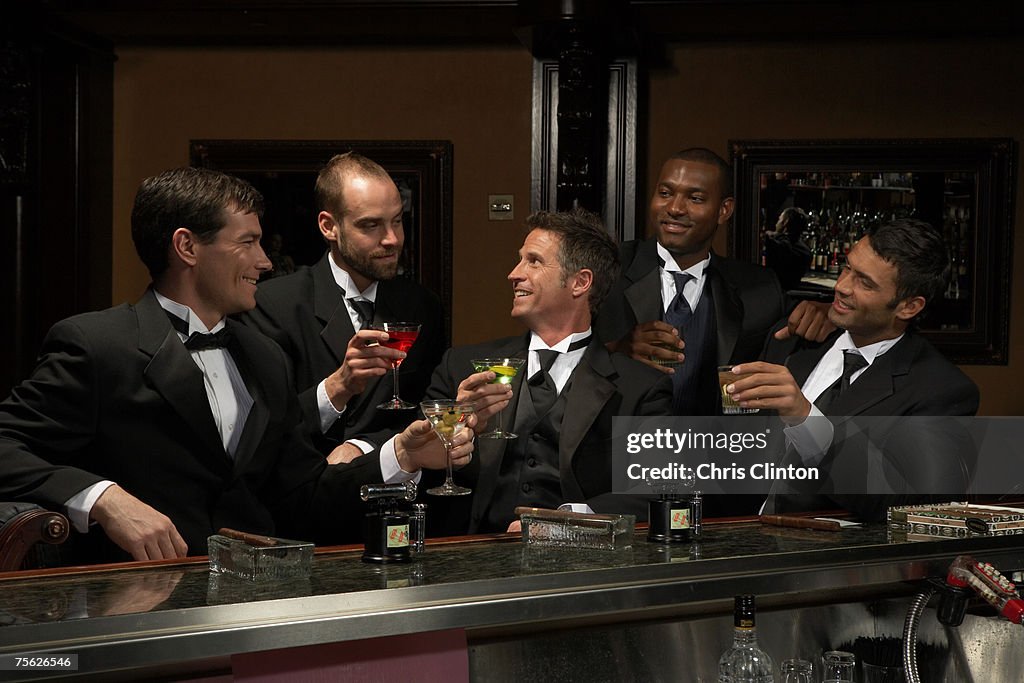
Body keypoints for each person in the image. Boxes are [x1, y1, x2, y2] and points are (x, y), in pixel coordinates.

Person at [0, 167, 470, 564]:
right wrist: (103, 498)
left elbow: (304, 494)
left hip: (251, 602)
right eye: (247, 242)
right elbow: (7, 445)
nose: (265, 262)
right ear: (187, 248)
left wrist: (401, 456)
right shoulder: (97, 343)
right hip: (129, 601)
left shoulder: (262, 356)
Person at [409, 208, 672, 534]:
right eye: (520, 260)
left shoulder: (640, 388)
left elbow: (658, 490)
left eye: (533, 261)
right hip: (472, 560)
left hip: (577, 570)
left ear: (580, 282)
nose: (514, 274)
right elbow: (416, 463)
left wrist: (569, 522)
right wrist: (459, 424)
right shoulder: (462, 367)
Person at [727, 218, 980, 521]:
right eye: (848, 268)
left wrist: (807, 421)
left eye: (865, 283)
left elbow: (911, 508)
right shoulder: (794, 339)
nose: (841, 286)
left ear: (908, 307)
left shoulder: (940, 390)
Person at [595, 148, 833, 420]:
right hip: (619, 452)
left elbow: (804, 332)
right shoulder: (607, 268)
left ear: (724, 210)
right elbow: (553, 351)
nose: (674, 208)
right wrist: (617, 350)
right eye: (665, 193)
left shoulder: (759, 287)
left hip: (714, 452)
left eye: (695, 198)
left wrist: (828, 312)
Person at [240, 152, 446, 462]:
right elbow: (260, 429)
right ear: (329, 226)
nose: (392, 239)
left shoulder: (422, 306)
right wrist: (340, 385)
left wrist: (365, 447)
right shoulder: (273, 305)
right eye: (371, 225)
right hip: (302, 494)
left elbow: (425, 407)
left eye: (398, 221)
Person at [764, 207, 813, 291]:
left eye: (779, 219)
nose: (776, 223)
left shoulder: (777, 244)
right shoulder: (806, 251)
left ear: (785, 222)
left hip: (771, 290)